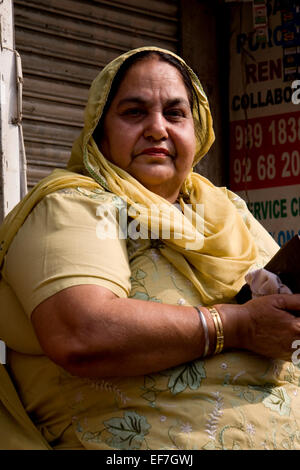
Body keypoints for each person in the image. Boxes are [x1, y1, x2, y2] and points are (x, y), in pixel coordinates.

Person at [0, 46, 300, 450]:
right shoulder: (73, 204)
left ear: (199, 132)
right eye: (134, 112)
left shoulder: (226, 211)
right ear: (100, 131)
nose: (157, 128)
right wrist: (238, 326)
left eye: (175, 114)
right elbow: (82, 332)